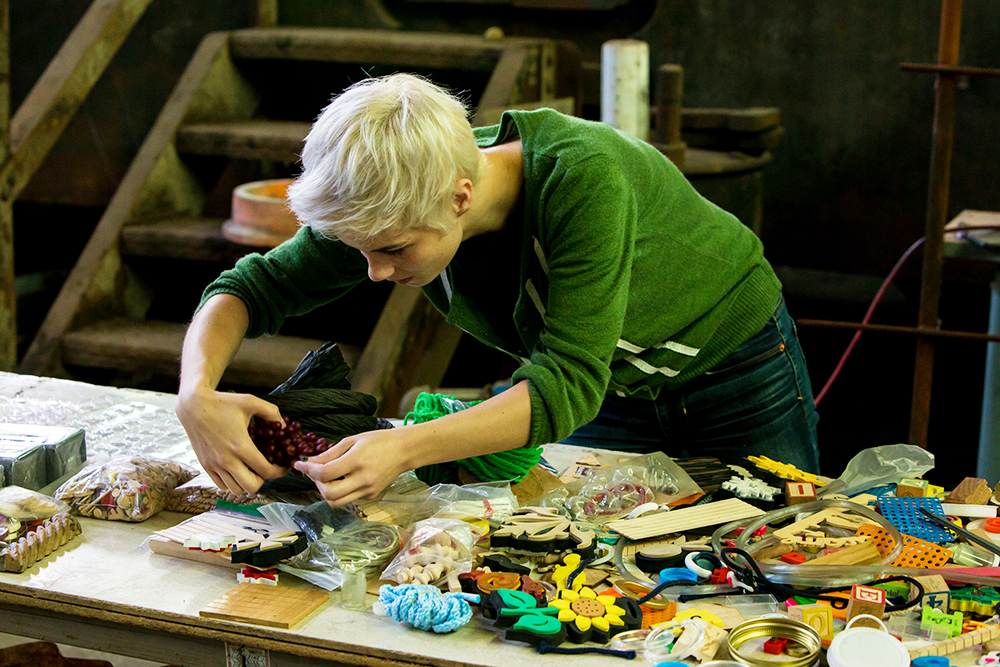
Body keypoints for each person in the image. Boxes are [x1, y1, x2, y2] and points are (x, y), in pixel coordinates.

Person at [175, 73, 819, 507]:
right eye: (359, 250)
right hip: (610, 386)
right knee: (600, 557)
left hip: (736, 367)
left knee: (776, 553)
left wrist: (401, 446)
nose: (373, 272)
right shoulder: (395, 196)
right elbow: (253, 287)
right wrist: (196, 392)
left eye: (393, 250)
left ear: (461, 196)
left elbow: (564, 382)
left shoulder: (581, 179)